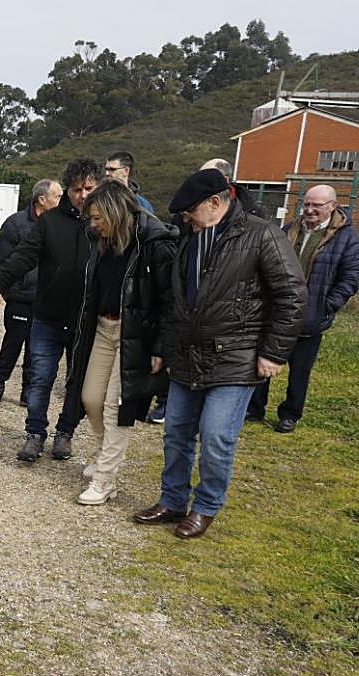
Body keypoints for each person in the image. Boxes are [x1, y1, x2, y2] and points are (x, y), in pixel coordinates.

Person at [133, 169, 305, 539]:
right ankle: (173, 499)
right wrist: (163, 347)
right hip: (185, 358)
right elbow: (176, 302)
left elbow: (291, 296)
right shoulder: (190, 239)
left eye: (190, 211)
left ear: (216, 202)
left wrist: (274, 353)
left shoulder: (262, 235)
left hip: (236, 359)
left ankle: (206, 506)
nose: (185, 219)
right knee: (176, 434)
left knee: (215, 436)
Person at [67, 180, 177, 504]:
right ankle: (105, 454)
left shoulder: (155, 242)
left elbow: (169, 300)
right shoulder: (101, 242)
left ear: (116, 213)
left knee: (117, 407)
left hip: (135, 336)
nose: (93, 224)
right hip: (104, 328)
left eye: (98, 218)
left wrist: (160, 346)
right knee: (89, 398)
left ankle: (105, 480)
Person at [0, 158, 100, 462]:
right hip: (47, 316)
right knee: (39, 377)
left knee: (77, 381)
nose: (82, 195)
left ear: (98, 188)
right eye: (76, 189)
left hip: (86, 321)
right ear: (67, 190)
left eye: (89, 188)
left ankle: (66, 433)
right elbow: (22, 256)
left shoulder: (106, 224)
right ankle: (35, 433)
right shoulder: (49, 222)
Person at [247, 184, 359, 432]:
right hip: (277, 312)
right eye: (306, 204)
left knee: (300, 370)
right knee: (263, 360)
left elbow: (351, 277)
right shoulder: (289, 229)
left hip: (311, 316)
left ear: (332, 206)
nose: (309, 210)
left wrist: (327, 306)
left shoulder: (347, 238)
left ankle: (290, 414)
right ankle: (254, 408)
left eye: (316, 206)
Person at [0, 179, 63, 407]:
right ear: (42, 199)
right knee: (13, 343)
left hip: (46, 299)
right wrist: (0, 289)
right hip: (20, 297)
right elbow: (0, 260)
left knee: (36, 348)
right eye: (57, 196)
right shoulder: (16, 223)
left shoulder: (60, 225)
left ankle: (26, 392)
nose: (61, 200)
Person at [200, 158, 267, 219]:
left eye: (206, 178)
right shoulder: (195, 205)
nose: (198, 183)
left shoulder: (252, 212)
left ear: (225, 180)